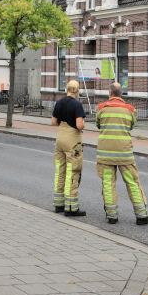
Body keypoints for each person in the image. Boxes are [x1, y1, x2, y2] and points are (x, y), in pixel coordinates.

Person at [95, 82, 148, 225]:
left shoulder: (101, 108)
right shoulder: (131, 109)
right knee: (132, 182)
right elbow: (131, 126)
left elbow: (98, 124)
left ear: (110, 93)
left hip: (105, 154)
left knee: (108, 184)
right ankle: (142, 216)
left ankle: (112, 216)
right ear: (122, 94)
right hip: (124, 154)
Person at [51, 80, 87, 217]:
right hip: (72, 140)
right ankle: (71, 207)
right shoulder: (77, 105)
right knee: (72, 172)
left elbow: (54, 122)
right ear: (77, 91)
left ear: (66, 89)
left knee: (60, 171)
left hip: (60, 138)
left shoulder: (59, 102)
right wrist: (83, 121)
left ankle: (58, 204)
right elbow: (79, 126)